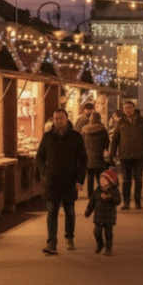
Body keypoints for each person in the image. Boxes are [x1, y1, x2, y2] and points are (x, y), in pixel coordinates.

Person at [36, 108, 87, 254]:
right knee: (52, 211)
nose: (58, 121)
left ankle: (69, 236)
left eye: (61, 118)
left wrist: (79, 180)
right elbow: (39, 157)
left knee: (69, 211)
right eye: (56, 118)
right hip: (52, 181)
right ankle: (51, 242)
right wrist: (45, 171)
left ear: (67, 119)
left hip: (69, 181)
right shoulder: (47, 137)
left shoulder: (75, 137)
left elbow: (83, 160)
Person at [109, 100, 143, 210]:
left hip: (139, 156)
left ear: (134, 108)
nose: (127, 110)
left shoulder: (142, 121)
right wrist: (112, 155)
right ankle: (126, 202)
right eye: (125, 108)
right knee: (126, 181)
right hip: (125, 156)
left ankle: (138, 201)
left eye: (129, 107)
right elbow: (115, 139)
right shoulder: (120, 122)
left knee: (138, 180)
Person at [84, 168, 122, 255]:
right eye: (100, 179)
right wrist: (88, 211)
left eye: (103, 180)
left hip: (109, 216)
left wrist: (110, 198)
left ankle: (108, 248)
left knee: (108, 234)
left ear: (109, 181)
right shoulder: (97, 190)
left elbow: (118, 201)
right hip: (98, 216)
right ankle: (100, 244)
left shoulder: (114, 191)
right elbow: (92, 202)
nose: (101, 181)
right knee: (97, 232)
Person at [82, 111, 110, 197]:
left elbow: (81, 142)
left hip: (88, 156)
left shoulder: (84, 129)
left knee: (90, 177)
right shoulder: (102, 129)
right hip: (99, 156)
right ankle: (100, 192)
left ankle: (90, 194)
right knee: (99, 176)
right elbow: (107, 142)